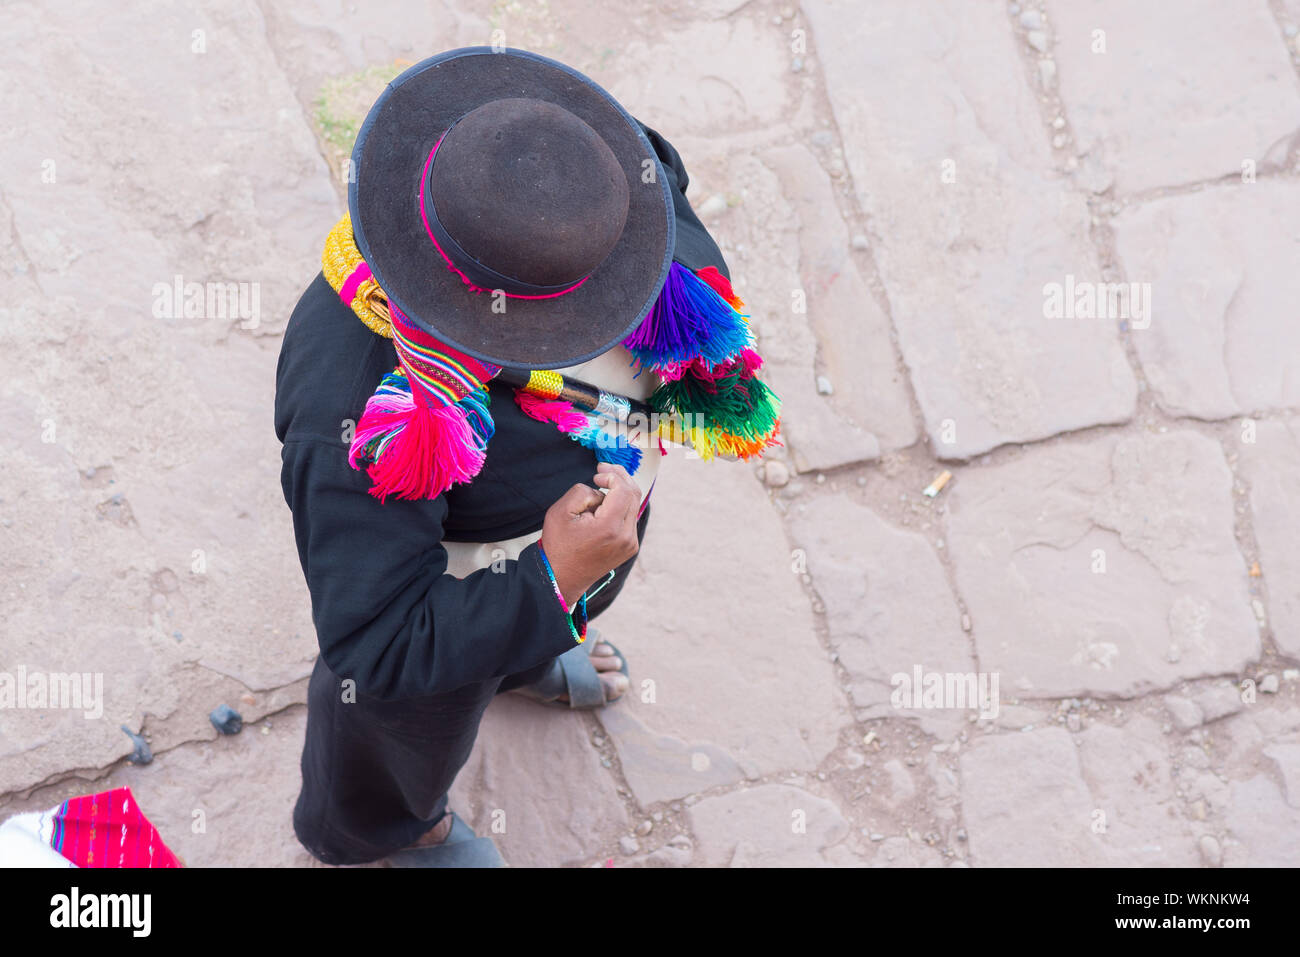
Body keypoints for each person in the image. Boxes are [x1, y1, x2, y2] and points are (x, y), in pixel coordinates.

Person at [274, 47, 780, 866]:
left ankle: (531, 644)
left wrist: (568, 585)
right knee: (404, 726)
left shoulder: (604, 181)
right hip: (464, 585)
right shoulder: (360, 404)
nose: (615, 302)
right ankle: (389, 829)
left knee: (550, 617)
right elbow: (380, 641)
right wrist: (549, 575)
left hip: (569, 523)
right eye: (567, 320)